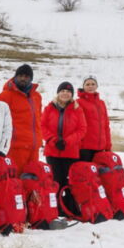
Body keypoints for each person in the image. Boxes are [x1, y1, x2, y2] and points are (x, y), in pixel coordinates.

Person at [41, 81, 86, 210]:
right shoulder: (49, 108)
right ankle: (55, 208)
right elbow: (42, 126)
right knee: (55, 181)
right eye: (63, 91)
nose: (65, 93)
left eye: (68, 91)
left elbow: (82, 129)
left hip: (70, 152)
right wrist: (53, 140)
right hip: (52, 151)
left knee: (69, 182)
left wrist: (67, 141)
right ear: (58, 93)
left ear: (71, 94)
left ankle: (69, 208)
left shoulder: (77, 109)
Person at [0, 64, 43, 165]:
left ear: (31, 79)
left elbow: (39, 118)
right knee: (15, 179)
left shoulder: (36, 96)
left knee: (32, 179)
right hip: (16, 147)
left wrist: (40, 139)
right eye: (20, 76)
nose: (23, 78)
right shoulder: (5, 96)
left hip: (34, 147)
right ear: (15, 77)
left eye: (26, 76)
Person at [77, 76, 112, 161]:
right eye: (87, 84)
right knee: (86, 173)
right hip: (85, 147)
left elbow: (106, 126)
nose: (90, 86)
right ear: (83, 87)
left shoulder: (101, 103)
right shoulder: (78, 102)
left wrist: (108, 145)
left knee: (98, 173)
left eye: (93, 84)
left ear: (96, 86)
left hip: (100, 147)